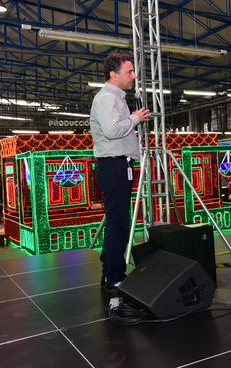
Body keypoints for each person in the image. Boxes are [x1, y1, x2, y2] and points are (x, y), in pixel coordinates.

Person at [90, 53, 150, 290]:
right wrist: (135, 118)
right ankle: (113, 276)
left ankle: (111, 271)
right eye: (129, 72)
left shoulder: (117, 98)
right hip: (113, 165)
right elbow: (113, 130)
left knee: (118, 221)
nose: (134, 76)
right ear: (113, 75)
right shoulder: (107, 99)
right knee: (118, 223)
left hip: (119, 165)